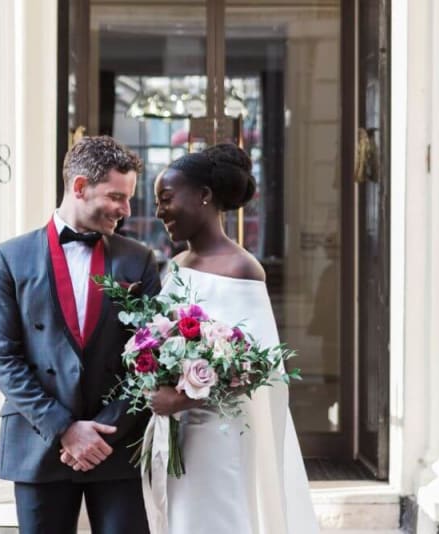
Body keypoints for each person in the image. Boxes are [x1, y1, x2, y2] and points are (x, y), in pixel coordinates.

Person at [0, 136, 161, 534]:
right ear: (79, 187)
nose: (126, 210)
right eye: (117, 196)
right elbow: (2, 357)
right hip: (39, 440)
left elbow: (153, 356)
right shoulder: (9, 258)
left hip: (116, 443)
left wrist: (103, 433)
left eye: (128, 199)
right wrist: (65, 428)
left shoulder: (139, 259)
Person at [149, 144, 319, 533]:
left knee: (214, 516)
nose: (160, 212)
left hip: (219, 426)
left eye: (166, 199)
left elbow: (256, 364)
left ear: (203, 196)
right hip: (175, 425)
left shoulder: (242, 267)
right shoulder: (176, 265)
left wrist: (182, 396)